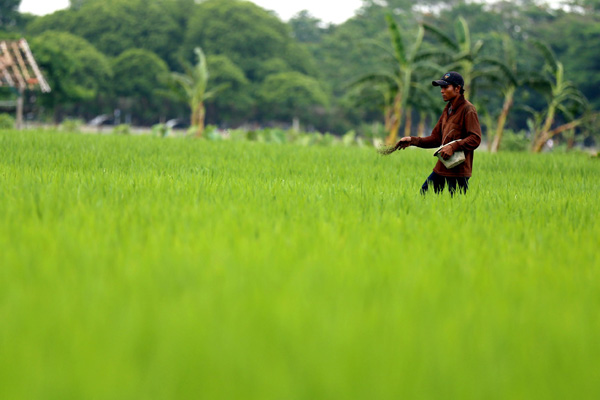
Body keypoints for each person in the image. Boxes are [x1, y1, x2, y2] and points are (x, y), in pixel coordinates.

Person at [395, 71, 482, 195]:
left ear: (457, 88)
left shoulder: (468, 109)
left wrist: (453, 146)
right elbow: (436, 138)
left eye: (445, 87)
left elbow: (475, 139)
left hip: (459, 170)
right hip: (442, 167)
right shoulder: (448, 109)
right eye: (441, 87)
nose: (442, 91)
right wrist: (412, 140)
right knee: (424, 195)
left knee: (457, 207)